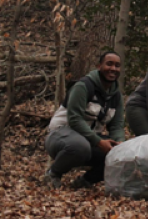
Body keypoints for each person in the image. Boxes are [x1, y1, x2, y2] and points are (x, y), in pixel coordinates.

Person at [44, 52, 125, 189]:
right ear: (99, 66)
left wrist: (120, 144)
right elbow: (75, 120)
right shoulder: (83, 86)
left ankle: (85, 181)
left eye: (117, 66)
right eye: (109, 64)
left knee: (119, 155)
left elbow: (117, 125)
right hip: (61, 135)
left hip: (89, 139)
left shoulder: (116, 96)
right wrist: (99, 142)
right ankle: (53, 174)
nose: (113, 69)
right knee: (80, 147)